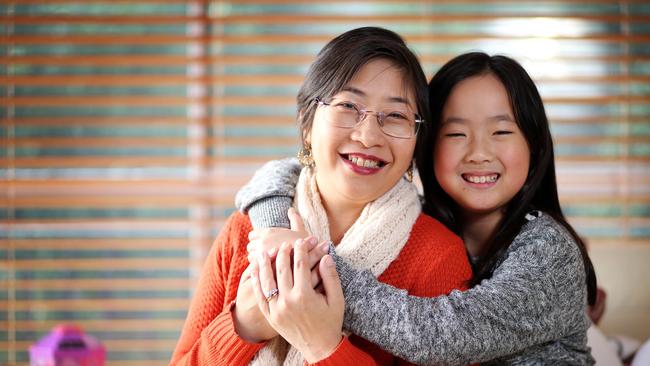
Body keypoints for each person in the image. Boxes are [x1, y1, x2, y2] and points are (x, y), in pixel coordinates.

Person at [238, 52, 598, 364]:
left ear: (534, 147)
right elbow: (290, 171)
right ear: (423, 147)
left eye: (501, 133)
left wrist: (309, 262)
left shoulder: (548, 251)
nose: (479, 153)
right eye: (456, 134)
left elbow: (443, 335)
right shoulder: (421, 220)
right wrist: (272, 227)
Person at [170, 27, 472, 365]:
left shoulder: (437, 256)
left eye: (396, 116)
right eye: (347, 106)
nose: (369, 135)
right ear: (307, 123)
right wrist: (245, 325)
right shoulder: (246, 231)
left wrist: (324, 346)